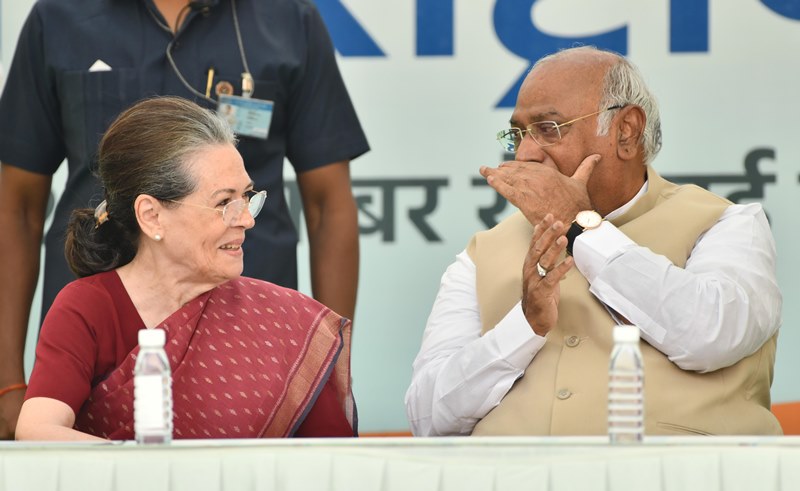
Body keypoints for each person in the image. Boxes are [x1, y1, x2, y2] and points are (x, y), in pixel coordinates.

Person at [0, 0, 368, 439]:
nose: (243, 218)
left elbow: (330, 204)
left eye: (246, 200)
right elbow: (17, 206)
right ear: (149, 213)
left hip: (254, 324)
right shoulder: (59, 16)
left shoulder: (288, 18)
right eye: (222, 201)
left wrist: (317, 359)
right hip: (109, 308)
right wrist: (7, 382)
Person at [405, 46, 782, 436]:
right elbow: (427, 417)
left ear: (626, 131)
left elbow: (712, 334)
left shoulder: (725, 224)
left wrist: (581, 229)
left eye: (548, 129)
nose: (526, 153)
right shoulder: (481, 256)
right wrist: (525, 326)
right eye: (517, 134)